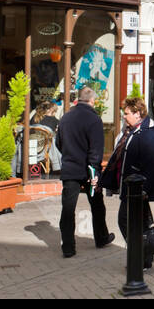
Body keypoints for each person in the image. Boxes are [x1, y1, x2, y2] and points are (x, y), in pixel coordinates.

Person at [55, 85, 111, 258]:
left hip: (70, 168)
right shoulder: (94, 120)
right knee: (97, 205)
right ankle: (101, 237)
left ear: (78, 100)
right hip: (88, 171)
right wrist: (95, 171)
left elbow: (58, 143)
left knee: (68, 208)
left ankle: (68, 247)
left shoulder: (65, 118)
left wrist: (69, 155)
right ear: (92, 101)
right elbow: (96, 149)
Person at [108, 97, 154, 265]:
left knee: (125, 221)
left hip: (137, 189)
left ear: (138, 114)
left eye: (127, 114)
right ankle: (144, 257)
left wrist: (144, 189)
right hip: (130, 187)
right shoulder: (131, 131)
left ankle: (141, 255)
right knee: (141, 223)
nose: (124, 117)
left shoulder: (149, 134)